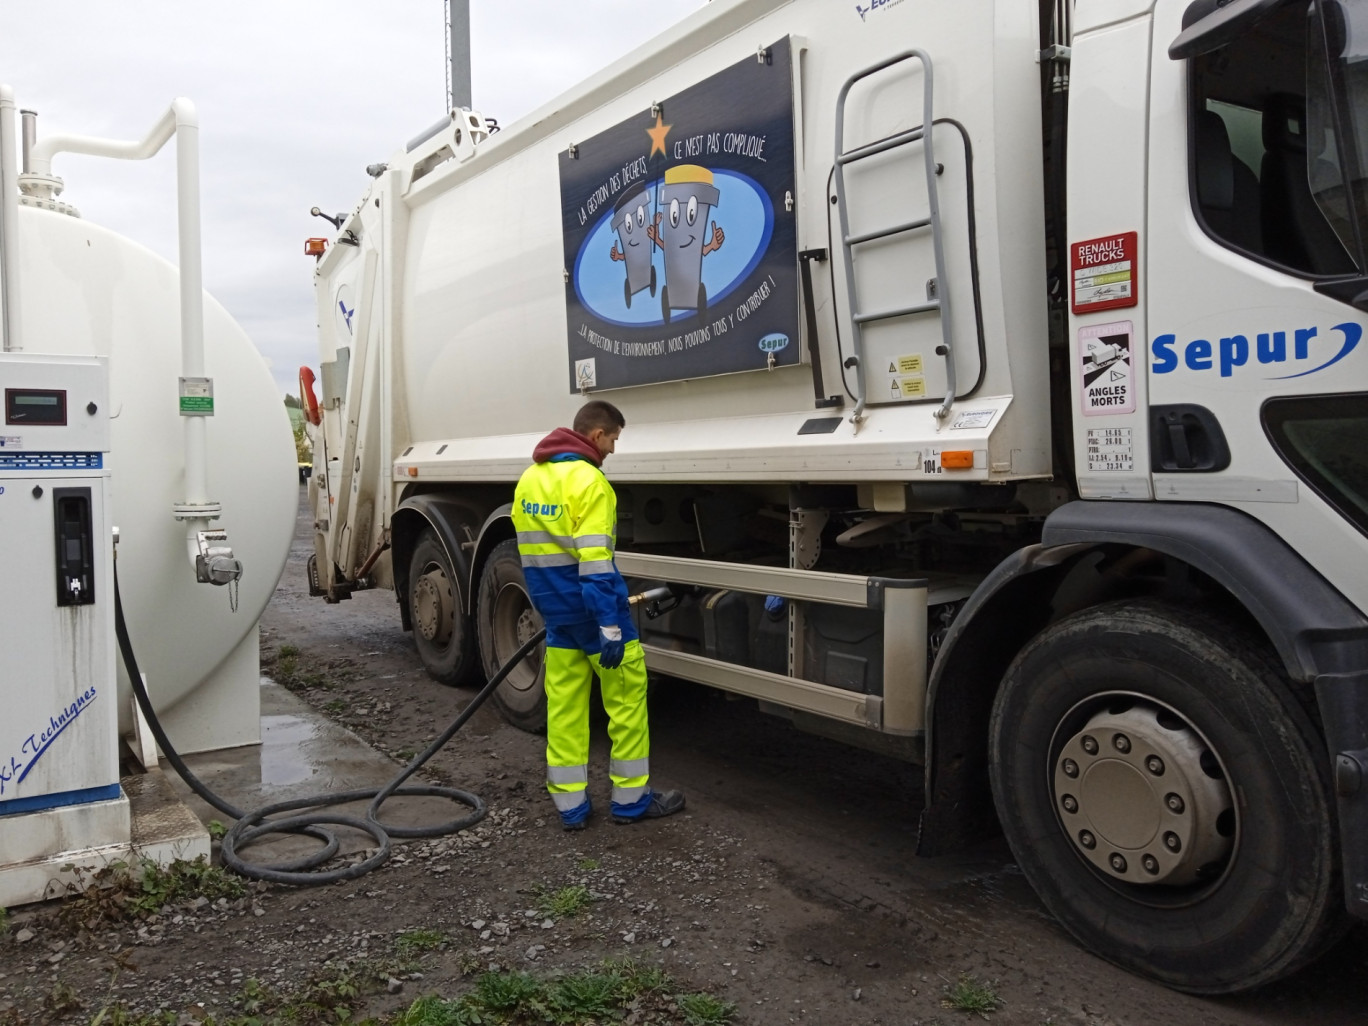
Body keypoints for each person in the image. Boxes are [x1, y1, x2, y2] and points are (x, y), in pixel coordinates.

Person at [513, 399, 686, 830]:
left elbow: (532, 559)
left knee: (566, 712)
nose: (613, 449)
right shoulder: (590, 483)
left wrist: (557, 611)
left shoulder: (530, 481)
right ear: (596, 435)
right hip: (595, 617)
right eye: (613, 439)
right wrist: (609, 624)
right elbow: (595, 565)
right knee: (626, 705)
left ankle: (570, 807)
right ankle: (631, 803)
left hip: (557, 619)